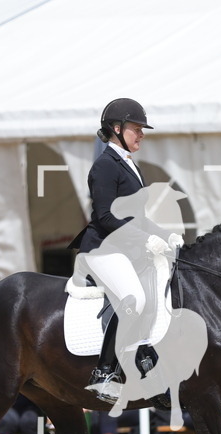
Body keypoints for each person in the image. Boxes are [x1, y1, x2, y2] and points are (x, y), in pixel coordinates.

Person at [68, 98, 171, 404]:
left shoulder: (128, 164)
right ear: (116, 129)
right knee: (133, 298)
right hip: (103, 250)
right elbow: (105, 217)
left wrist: (167, 235)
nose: (141, 135)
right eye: (136, 129)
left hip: (126, 248)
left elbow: (137, 217)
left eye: (142, 130)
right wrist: (144, 241)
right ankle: (104, 373)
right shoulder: (104, 166)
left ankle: (146, 358)